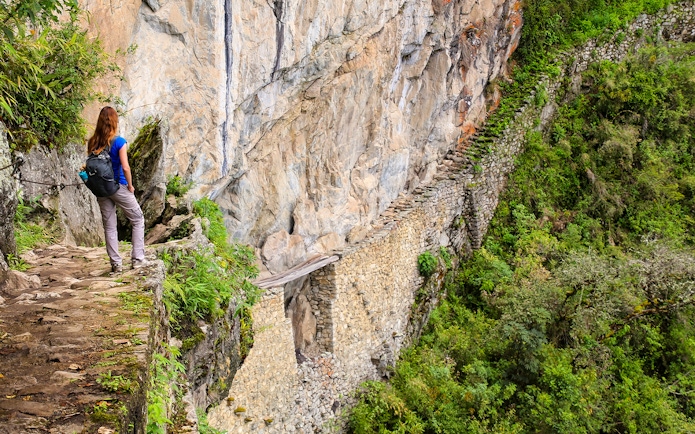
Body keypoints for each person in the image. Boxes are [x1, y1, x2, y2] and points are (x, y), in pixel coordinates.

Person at [87, 106, 147, 273]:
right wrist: (130, 185)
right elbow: (126, 167)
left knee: (110, 226)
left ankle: (116, 264)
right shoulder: (119, 141)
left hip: (100, 189)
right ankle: (137, 259)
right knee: (137, 219)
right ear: (115, 122)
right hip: (118, 186)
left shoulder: (92, 142)